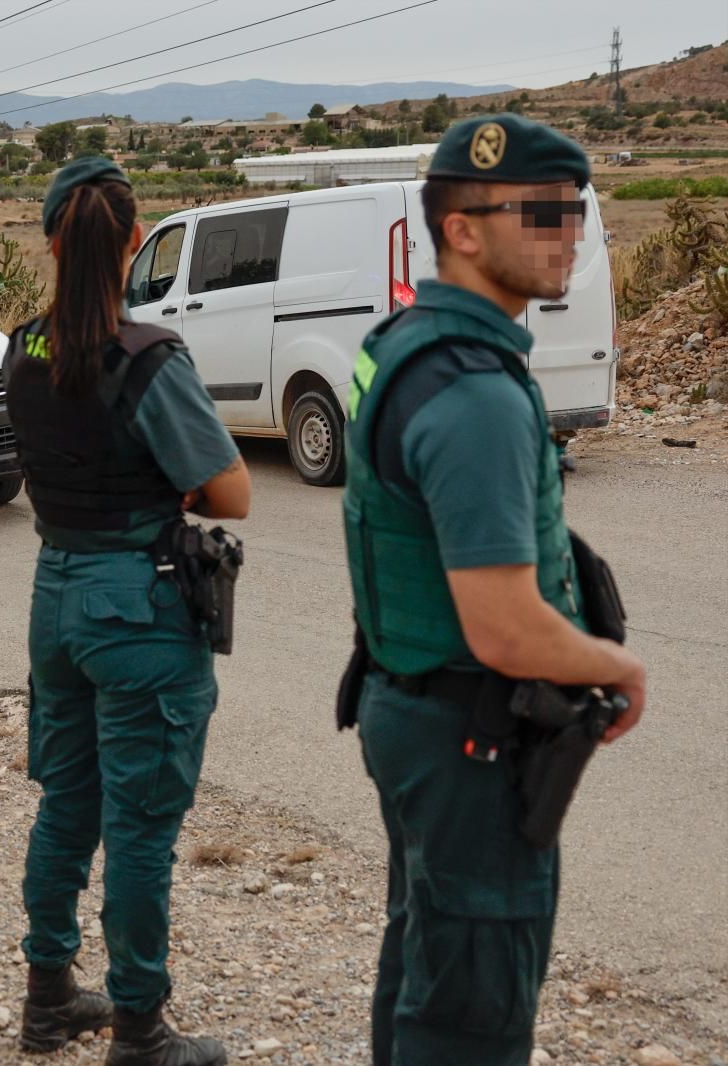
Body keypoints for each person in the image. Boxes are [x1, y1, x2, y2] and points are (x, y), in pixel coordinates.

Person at [339, 113, 647, 1065]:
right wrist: (619, 667)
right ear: (464, 229)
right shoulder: (472, 391)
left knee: (424, 956)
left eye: (577, 213)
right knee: (471, 1009)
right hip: (471, 735)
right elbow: (507, 626)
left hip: (411, 709)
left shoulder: (399, 343)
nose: (570, 235)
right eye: (543, 213)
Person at [7, 156, 251, 1066]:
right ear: (137, 242)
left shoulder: (21, 346)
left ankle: (48, 1002)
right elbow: (230, 492)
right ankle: (142, 1031)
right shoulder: (148, 358)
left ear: (50, 241)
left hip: (56, 596)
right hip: (138, 606)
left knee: (67, 805)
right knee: (142, 827)